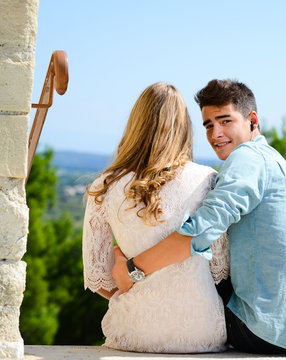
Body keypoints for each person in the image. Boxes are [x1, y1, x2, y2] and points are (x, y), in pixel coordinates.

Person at [112, 79, 286, 354]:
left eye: (225, 121)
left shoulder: (247, 160)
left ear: (252, 120)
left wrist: (132, 270)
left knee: (182, 281)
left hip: (264, 331)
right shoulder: (273, 161)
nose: (216, 133)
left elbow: (200, 231)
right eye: (208, 125)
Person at [82, 82, 229, 353]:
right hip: (201, 331)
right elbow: (220, 269)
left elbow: (98, 278)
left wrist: (133, 294)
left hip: (132, 333)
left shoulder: (103, 187)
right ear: (184, 127)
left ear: (136, 124)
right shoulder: (207, 181)